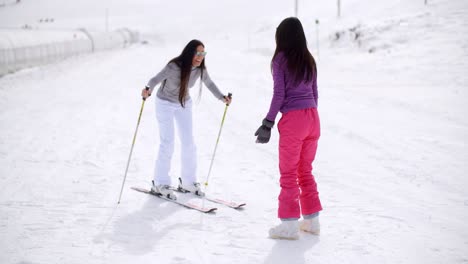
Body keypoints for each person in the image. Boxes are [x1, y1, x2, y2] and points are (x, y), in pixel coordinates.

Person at [255, 17, 322, 240]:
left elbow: (279, 94)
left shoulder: (280, 60)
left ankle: (289, 225)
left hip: (294, 119)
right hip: (313, 117)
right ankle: (312, 221)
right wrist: (310, 117)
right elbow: (315, 94)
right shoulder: (309, 59)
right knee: (305, 169)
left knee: (289, 172)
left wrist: (268, 122)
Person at [142, 39, 232, 200]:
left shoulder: (200, 70)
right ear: (190, 52)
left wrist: (222, 97)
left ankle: (188, 182)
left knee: (189, 142)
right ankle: (160, 183)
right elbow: (155, 79)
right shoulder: (173, 66)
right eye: (197, 53)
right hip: (165, 103)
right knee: (167, 142)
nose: (200, 57)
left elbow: (209, 83)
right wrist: (147, 90)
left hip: (184, 103)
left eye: (203, 54)